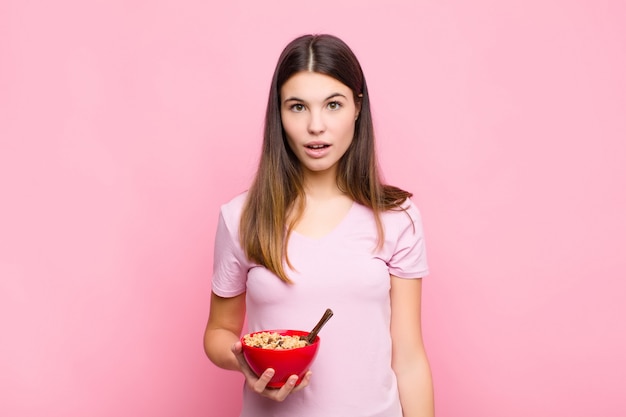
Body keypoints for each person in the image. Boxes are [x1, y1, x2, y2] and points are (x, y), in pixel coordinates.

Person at [204, 34, 434, 417]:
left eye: (333, 105)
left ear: (357, 108)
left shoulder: (396, 217)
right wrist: (243, 361)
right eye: (297, 107)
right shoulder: (242, 217)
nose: (315, 126)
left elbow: (409, 358)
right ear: (279, 114)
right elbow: (217, 333)